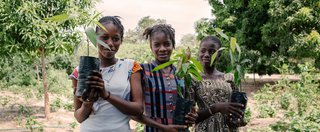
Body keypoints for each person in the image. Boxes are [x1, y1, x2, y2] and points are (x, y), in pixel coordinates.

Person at [73, 16, 144, 131]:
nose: (110, 43)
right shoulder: (81, 71)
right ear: (95, 39)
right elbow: (79, 117)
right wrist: (88, 102)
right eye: (104, 38)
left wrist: (106, 95)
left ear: (121, 40)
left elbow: (138, 109)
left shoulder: (131, 67)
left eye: (116, 39)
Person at [132, 24, 197, 132]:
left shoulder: (181, 74)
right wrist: (163, 127)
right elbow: (133, 113)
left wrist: (191, 117)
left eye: (167, 44)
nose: (162, 49)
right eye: (157, 45)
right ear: (151, 47)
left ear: (173, 45)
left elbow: (189, 107)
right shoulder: (142, 71)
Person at [191, 36, 245, 132]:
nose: (206, 55)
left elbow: (237, 109)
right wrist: (215, 108)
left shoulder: (229, 78)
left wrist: (238, 119)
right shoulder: (193, 80)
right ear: (199, 52)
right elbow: (190, 118)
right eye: (203, 51)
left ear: (219, 54)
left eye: (212, 51)